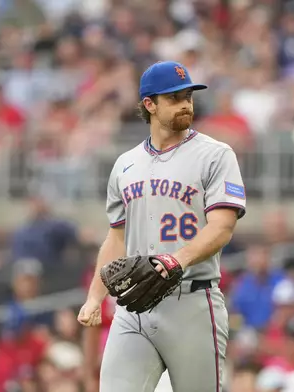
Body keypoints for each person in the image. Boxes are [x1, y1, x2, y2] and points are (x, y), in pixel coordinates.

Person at [77, 60, 246, 392]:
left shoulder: (215, 155)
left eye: (188, 96)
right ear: (149, 104)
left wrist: (176, 260)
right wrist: (95, 297)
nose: (185, 104)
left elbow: (222, 227)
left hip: (193, 303)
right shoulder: (125, 164)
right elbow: (117, 237)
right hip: (134, 305)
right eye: (174, 98)